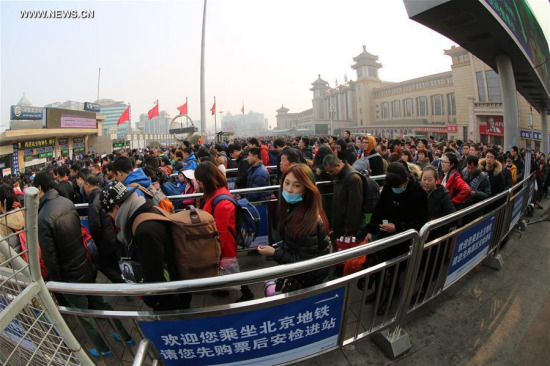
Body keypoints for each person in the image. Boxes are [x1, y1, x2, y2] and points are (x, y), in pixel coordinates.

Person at [33, 172, 132, 358]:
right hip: (85, 263)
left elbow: (50, 256)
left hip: (68, 274)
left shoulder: (43, 217)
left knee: (84, 315)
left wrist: (57, 284)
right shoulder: (66, 202)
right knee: (100, 302)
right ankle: (126, 336)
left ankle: (104, 349)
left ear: (39, 189)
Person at [99, 181, 192, 310]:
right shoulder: (149, 209)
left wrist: (151, 300)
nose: (113, 220)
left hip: (170, 297)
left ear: (116, 208)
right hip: (178, 285)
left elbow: (154, 274)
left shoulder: (143, 231)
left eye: (110, 215)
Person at [257, 164, 330, 292]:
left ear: (307, 188)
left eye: (296, 185)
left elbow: (305, 263)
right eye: (287, 183)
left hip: (306, 280)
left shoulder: (304, 218)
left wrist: (274, 253)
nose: (289, 189)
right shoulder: (298, 207)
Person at [194, 161, 254, 302]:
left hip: (225, 243)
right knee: (227, 269)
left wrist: (215, 249)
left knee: (232, 269)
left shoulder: (221, 202)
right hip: (221, 241)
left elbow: (220, 231)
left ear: (207, 181)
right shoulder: (216, 192)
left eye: (200, 182)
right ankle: (224, 289)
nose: (199, 185)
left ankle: (247, 293)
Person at [84, 174, 124, 283]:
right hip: (113, 236)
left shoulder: (94, 202)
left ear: (87, 184)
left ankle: (122, 284)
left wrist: (95, 241)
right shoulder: (104, 195)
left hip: (104, 240)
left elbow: (95, 225)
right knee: (115, 264)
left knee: (104, 266)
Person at [323, 154, 363, 238]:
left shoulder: (353, 178)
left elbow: (354, 206)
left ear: (338, 165)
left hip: (347, 227)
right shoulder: (339, 175)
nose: (331, 174)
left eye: (331, 171)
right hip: (339, 222)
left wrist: (349, 227)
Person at [0, 183, 25, 263]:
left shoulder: (2, 224)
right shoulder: (23, 213)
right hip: (27, 261)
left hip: (13, 268)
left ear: (1, 204)